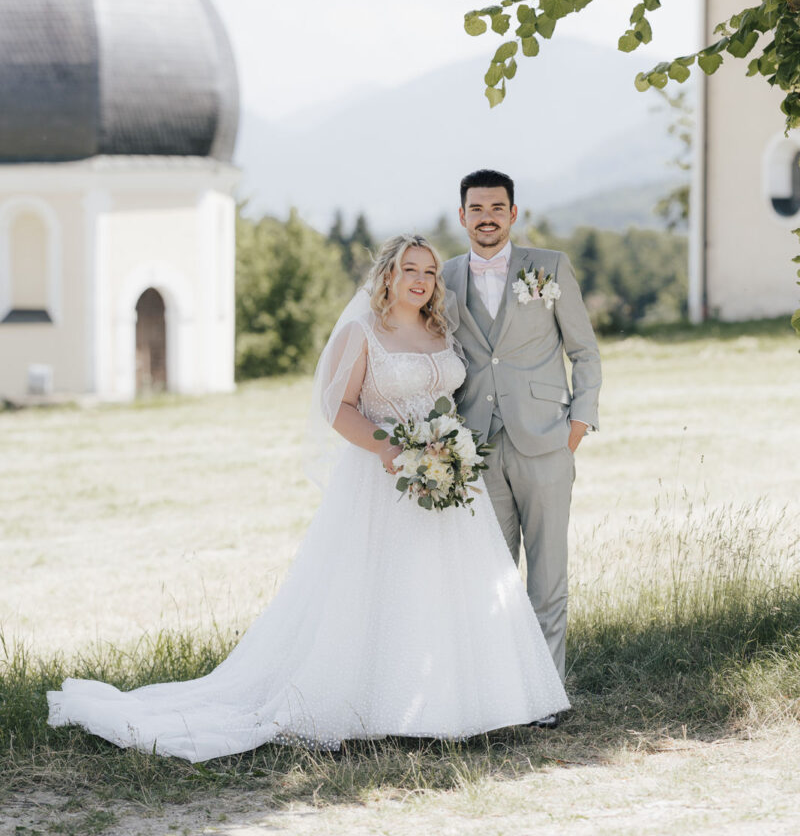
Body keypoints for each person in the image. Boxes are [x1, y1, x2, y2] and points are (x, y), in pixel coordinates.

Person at [47, 235, 568, 761]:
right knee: (379, 590)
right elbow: (336, 406)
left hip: (450, 482)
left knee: (450, 588)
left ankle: (458, 704)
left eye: (429, 273)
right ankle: (375, 706)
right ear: (387, 274)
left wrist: (446, 451)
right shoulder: (362, 331)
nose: (420, 280)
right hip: (384, 477)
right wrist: (394, 450)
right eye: (409, 269)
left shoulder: (440, 329)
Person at [443, 170, 601, 721]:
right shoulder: (442, 279)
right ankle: (498, 695)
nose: (487, 216)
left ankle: (547, 698)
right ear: (461, 216)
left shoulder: (549, 267)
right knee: (490, 577)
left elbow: (585, 352)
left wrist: (577, 427)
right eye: (476, 208)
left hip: (547, 442)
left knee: (547, 576)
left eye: (497, 207)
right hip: (477, 447)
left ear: (513, 213)